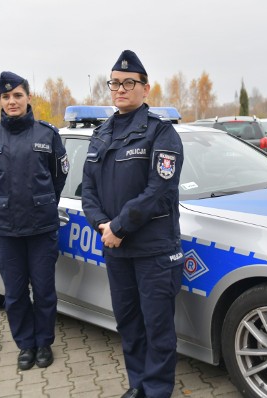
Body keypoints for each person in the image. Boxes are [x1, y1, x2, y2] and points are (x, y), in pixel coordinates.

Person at [81, 50, 185, 398]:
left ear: (145, 88)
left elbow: (160, 190)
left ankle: (156, 390)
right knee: (128, 322)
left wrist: (118, 227)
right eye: (115, 83)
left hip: (154, 251)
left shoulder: (161, 133)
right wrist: (102, 226)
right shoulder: (101, 134)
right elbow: (88, 191)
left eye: (129, 83)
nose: (120, 89)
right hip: (116, 248)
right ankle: (138, 384)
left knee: (157, 327)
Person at [0, 71, 69, 371]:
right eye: (6, 96)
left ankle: (44, 344)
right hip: (5, 231)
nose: (12, 101)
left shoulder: (47, 134)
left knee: (44, 292)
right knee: (15, 295)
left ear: (29, 97)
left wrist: (43, 201)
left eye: (17, 95)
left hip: (41, 229)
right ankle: (25, 345)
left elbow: (60, 175)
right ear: (0, 100)